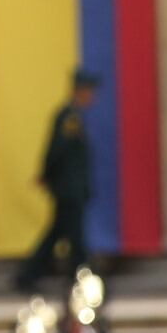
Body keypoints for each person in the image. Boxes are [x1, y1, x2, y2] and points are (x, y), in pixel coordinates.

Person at [15, 69, 99, 291]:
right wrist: (45, 175)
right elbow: (56, 150)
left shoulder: (73, 116)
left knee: (58, 233)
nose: (92, 97)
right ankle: (82, 278)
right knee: (74, 235)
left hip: (71, 188)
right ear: (80, 91)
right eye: (89, 91)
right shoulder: (69, 117)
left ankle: (29, 274)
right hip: (68, 189)